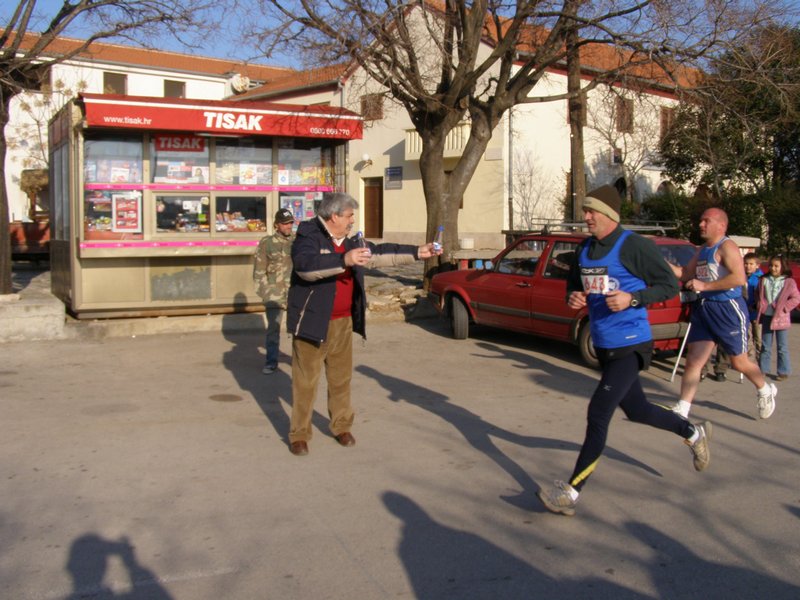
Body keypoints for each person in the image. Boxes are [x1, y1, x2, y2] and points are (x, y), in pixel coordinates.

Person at [537, 185, 710, 517]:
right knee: (638, 410)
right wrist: (573, 297)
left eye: (591, 211)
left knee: (598, 412)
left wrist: (633, 299)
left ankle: (571, 492)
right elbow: (575, 284)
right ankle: (692, 430)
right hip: (603, 344)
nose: (585, 216)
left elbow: (669, 285)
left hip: (631, 344)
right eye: (585, 210)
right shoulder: (585, 249)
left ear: (609, 215)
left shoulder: (633, 246)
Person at [285, 192, 440, 456]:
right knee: (305, 382)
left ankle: (341, 427)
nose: (352, 221)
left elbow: (379, 254)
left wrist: (418, 252)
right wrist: (343, 260)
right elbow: (305, 267)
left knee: (340, 379)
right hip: (311, 322)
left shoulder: (353, 240)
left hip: (343, 322)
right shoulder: (308, 235)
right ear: (334, 216)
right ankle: (300, 434)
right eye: (348, 216)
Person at [672, 208, 777, 420]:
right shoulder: (702, 250)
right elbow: (684, 273)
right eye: (700, 220)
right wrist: (657, 262)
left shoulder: (727, 247)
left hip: (728, 309)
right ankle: (682, 409)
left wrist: (705, 285)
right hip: (705, 309)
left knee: (738, 362)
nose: (701, 224)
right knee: (694, 359)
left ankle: (764, 389)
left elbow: (739, 279)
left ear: (721, 225)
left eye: (706, 221)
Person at [253, 208, 295, 374]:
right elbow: (259, 270)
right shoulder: (267, 243)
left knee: (298, 329)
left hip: (294, 292)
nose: (288, 226)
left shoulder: (298, 241)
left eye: (290, 223)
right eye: (285, 223)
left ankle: (299, 362)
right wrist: (264, 292)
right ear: (277, 225)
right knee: (273, 329)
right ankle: (271, 361)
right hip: (274, 293)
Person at [756, 254, 800, 381]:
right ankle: (763, 370)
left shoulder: (788, 282)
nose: (773, 268)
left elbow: (796, 298)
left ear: (782, 267)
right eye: (771, 266)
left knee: (782, 346)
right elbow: (758, 294)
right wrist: (760, 304)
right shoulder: (763, 280)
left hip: (781, 318)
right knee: (765, 345)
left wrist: (785, 308)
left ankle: (783, 371)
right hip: (767, 316)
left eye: (776, 266)